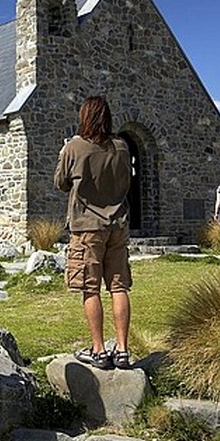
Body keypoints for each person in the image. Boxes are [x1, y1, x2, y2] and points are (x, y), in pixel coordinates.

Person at [54, 95, 133, 370]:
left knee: (90, 288)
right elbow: (128, 181)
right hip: (118, 225)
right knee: (118, 286)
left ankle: (99, 350)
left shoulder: (75, 147)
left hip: (86, 227)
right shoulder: (122, 146)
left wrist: (66, 156)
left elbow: (60, 183)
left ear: (84, 117)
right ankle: (122, 350)